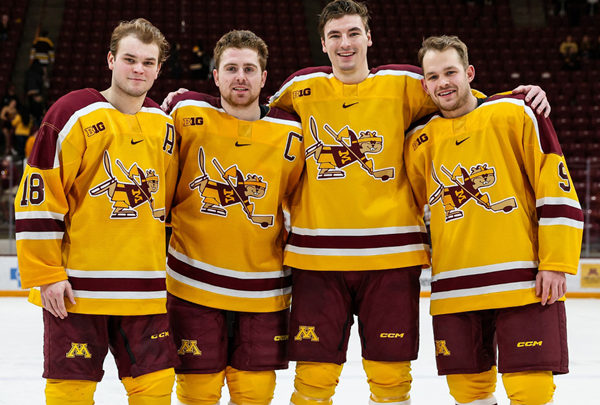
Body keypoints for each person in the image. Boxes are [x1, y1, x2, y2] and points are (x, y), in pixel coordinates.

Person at [267, 1, 551, 404]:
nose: (345, 43)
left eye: (352, 33)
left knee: (391, 377)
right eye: (335, 35)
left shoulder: (403, 82)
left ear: (369, 36)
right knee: (313, 378)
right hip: (317, 257)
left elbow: (456, 96)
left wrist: (519, 99)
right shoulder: (300, 87)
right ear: (323, 43)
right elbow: (250, 122)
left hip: (393, 256)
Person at [404, 35, 583, 405]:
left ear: (469, 72)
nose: (443, 83)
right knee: (467, 392)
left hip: (522, 280)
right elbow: (410, 204)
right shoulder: (418, 140)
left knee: (531, 390)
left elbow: (555, 185)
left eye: (451, 72)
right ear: (424, 85)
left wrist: (555, 263)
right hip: (453, 286)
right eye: (433, 76)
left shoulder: (516, 112)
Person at [15, 18, 179, 405]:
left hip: (146, 290)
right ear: (110, 59)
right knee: (70, 393)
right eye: (129, 59)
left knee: (156, 390)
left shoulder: (164, 125)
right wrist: (47, 273)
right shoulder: (72, 112)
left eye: (148, 62)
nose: (138, 69)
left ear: (159, 69)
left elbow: (168, 203)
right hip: (76, 290)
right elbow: (40, 195)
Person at [164, 29, 304, 405]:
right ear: (215, 76)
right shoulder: (185, 114)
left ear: (264, 77)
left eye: (249, 68)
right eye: (231, 68)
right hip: (192, 283)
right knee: (197, 393)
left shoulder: (291, 132)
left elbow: (294, 199)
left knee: (256, 394)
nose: (240, 76)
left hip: (264, 288)